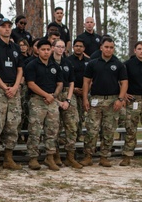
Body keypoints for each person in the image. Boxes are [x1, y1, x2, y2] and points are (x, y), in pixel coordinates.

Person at [82, 37, 128, 166]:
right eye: (106, 47)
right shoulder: (93, 63)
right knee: (92, 129)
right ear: (101, 47)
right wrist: (85, 98)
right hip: (96, 100)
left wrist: (120, 98)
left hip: (112, 101)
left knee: (108, 130)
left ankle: (104, 156)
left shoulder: (119, 64)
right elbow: (86, 82)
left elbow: (124, 83)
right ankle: (88, 156)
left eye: (111, 47)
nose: (109, 49)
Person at [0, 18, 24, 171]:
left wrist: (14, 87)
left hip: (14, 90)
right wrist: (4, 87)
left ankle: (8, 158)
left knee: (13, 124)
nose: (7, 29)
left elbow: (20, 69)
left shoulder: (15, 47)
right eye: (3, 27)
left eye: (9, 26)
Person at [23, 38, 65, 171]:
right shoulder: (32, 65)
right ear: (38, 50)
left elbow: (60, 84)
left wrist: (53, 95)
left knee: (52, 130)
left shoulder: (55, 66)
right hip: (37, 101)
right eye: (43, 50)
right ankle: (33, 158)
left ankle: (50, 157)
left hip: (52, 101)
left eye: (48, 49)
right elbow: (31, 84)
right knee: (35, 130)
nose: (46, 52)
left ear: (51, 50)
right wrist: (45, 95)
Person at [53, 39, 83, 168]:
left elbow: (72, 82)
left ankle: (70, 156)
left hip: (67, 95)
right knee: (55, 127)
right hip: (53, 95)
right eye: (58, 46)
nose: (60, 49)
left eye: (62, 47)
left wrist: (69, 100)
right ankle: (56, 155)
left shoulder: (68, 63)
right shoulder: (48, 63)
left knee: (72, 125)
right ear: (53, 47)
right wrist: (57, 100)